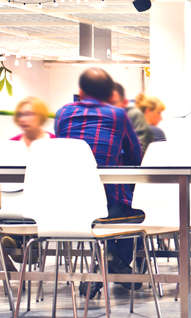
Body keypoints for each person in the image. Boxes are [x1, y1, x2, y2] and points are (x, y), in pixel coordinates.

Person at [54, 68, 144, 289]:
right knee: (139, 213)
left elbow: (65, 147)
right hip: (107, 202)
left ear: (80, 91)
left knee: (122, 208)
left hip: (66, 201)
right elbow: (136, 156)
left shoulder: (62, 113)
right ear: (110, 93)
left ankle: (109, 262)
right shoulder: (117, 115)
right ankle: (112, 263)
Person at [0, 97, 55, 272]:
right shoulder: (8, 145)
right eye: (20, 114)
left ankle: (12, 248)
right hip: (10, 203)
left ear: (40, 117)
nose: (24, 119)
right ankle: (4, 255)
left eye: (29, 114)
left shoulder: (55, 143)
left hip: (43, 202)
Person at [111, 82, 153, 155]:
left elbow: (140, 151)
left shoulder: (134, 114)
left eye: (113, 103)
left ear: (125, 102)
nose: (108, 107)